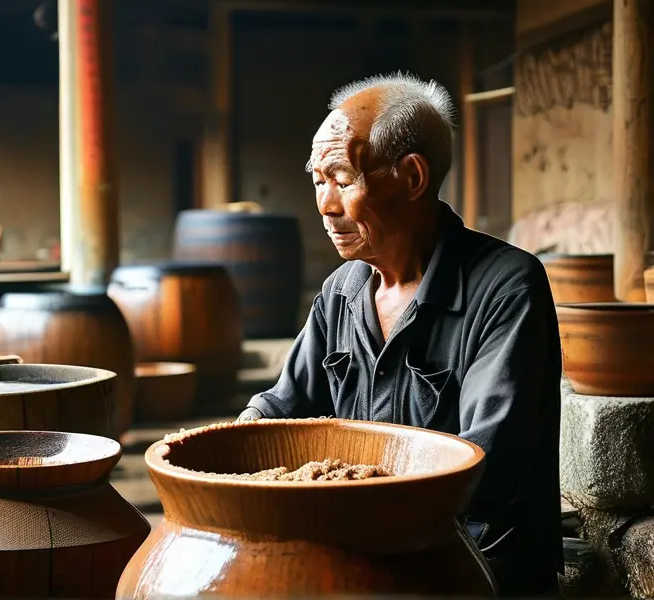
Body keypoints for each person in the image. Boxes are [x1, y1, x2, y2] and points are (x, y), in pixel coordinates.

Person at [237, 73, 563, 598]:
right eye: (317, 180)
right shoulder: (341, 291)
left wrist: (345, 489)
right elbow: (284, 406)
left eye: (342, 179)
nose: (324, 205)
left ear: (412, 177)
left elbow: (486, 466)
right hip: (362, 552)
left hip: (470, 564)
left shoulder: (506, 286)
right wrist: (235, 446)